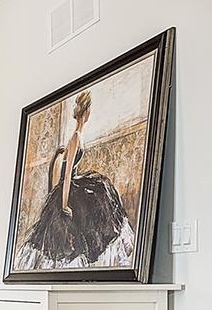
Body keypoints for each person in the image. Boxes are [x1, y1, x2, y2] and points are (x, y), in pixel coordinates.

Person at [15, 90, 135, 270]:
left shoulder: (77, 136)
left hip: (72, 184)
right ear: (85, 112)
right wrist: (64, 205)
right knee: (99, 190)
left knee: (101, 186)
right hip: (68, 188)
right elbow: (67, 174)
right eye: (89, 110)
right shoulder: (76, 137)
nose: (89, 114)